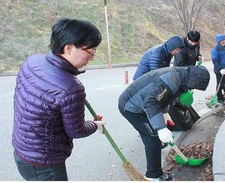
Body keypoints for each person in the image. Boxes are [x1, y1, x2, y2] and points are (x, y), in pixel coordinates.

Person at [12, 18, 106, 181]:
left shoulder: (32, 61)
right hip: (44, 164)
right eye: (91, 51)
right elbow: (76, 130)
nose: (92, 57)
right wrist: (95, 124)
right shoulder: (71, 88)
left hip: (21, 150)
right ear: (69, 48)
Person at [118, 65, 210, 181]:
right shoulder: (170, 79)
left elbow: (164, 98)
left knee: (154, 136)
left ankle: (154, 170)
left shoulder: (180, 77)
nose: (193, 88)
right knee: (153, 138)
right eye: (195, 86)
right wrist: (160, 128)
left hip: (143, 105)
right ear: (193, 80)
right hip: (131, 107)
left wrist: (164, 113)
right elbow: (151, 102)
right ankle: (153, 175)